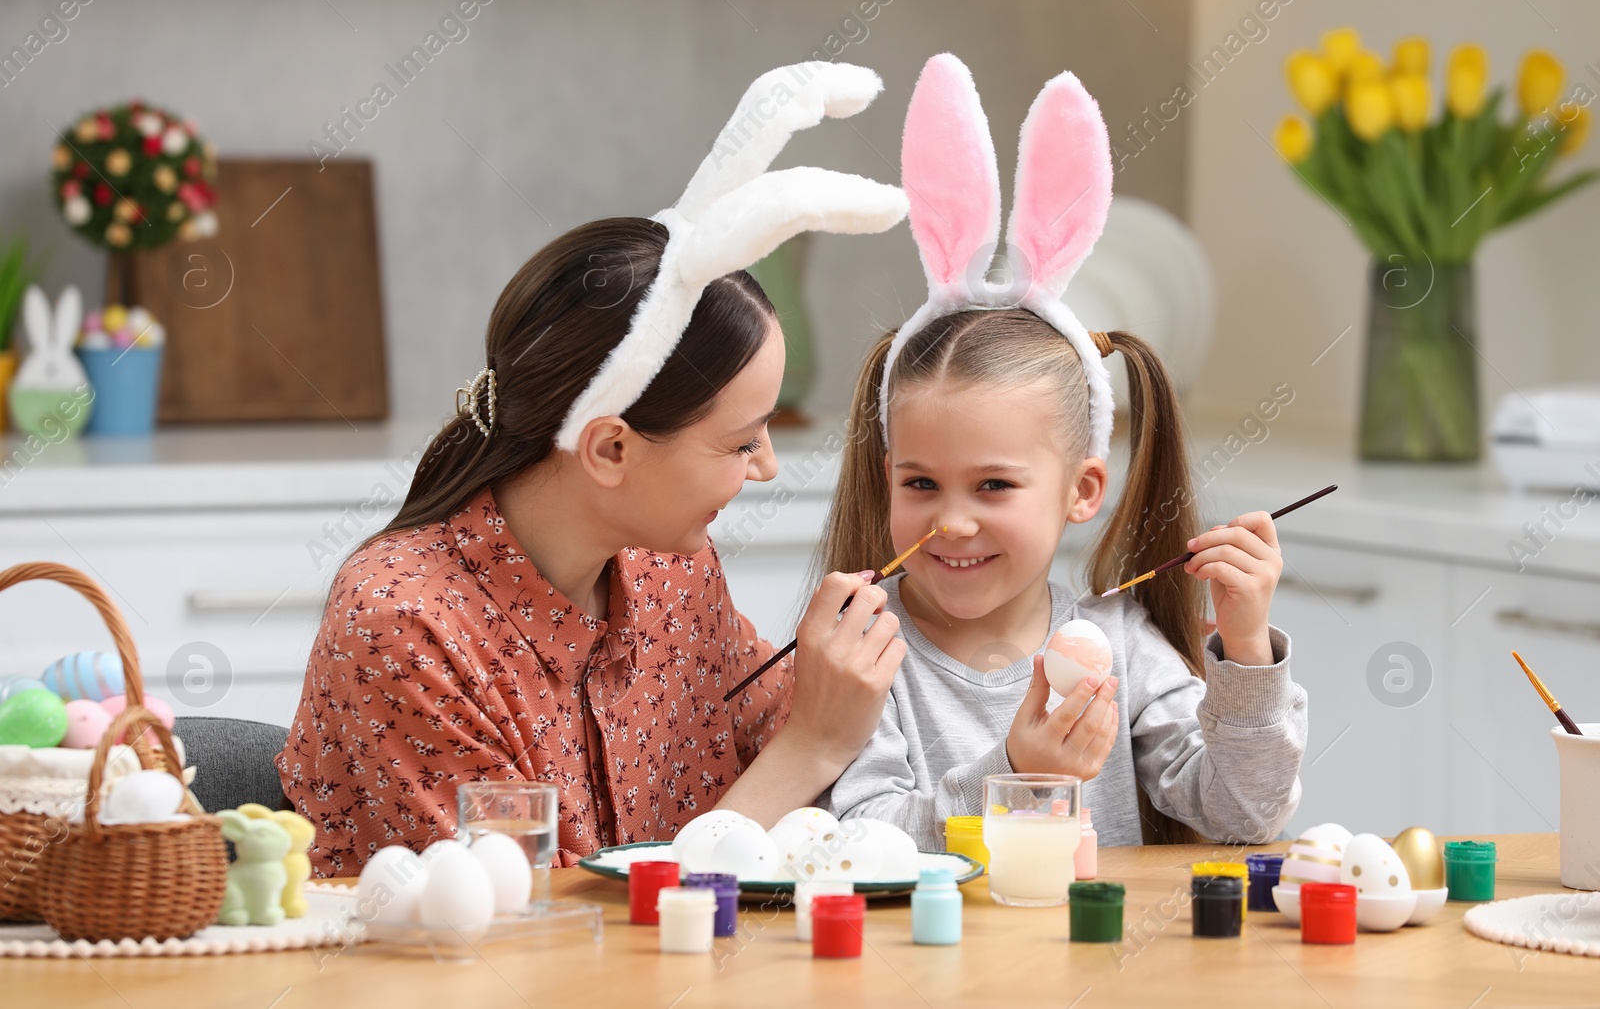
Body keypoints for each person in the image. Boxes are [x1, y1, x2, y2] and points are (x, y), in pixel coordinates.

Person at [277, 63, 910, 874]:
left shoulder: (670, 569)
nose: (767, 467)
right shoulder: (405, 625)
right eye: (740, 441)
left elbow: (776, 726)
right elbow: (538, 943)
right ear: (611, 448)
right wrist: (812, 746)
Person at [818, 55, 1306, 849]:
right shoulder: (871, 659)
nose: (951, 521)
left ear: (1082, 490)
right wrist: (1015, 772)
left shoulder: (1120, 648)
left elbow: (1245, 815)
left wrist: (1246, 649)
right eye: (921, 482)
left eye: (995, 485)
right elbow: (866, 845)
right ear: (886, 479)